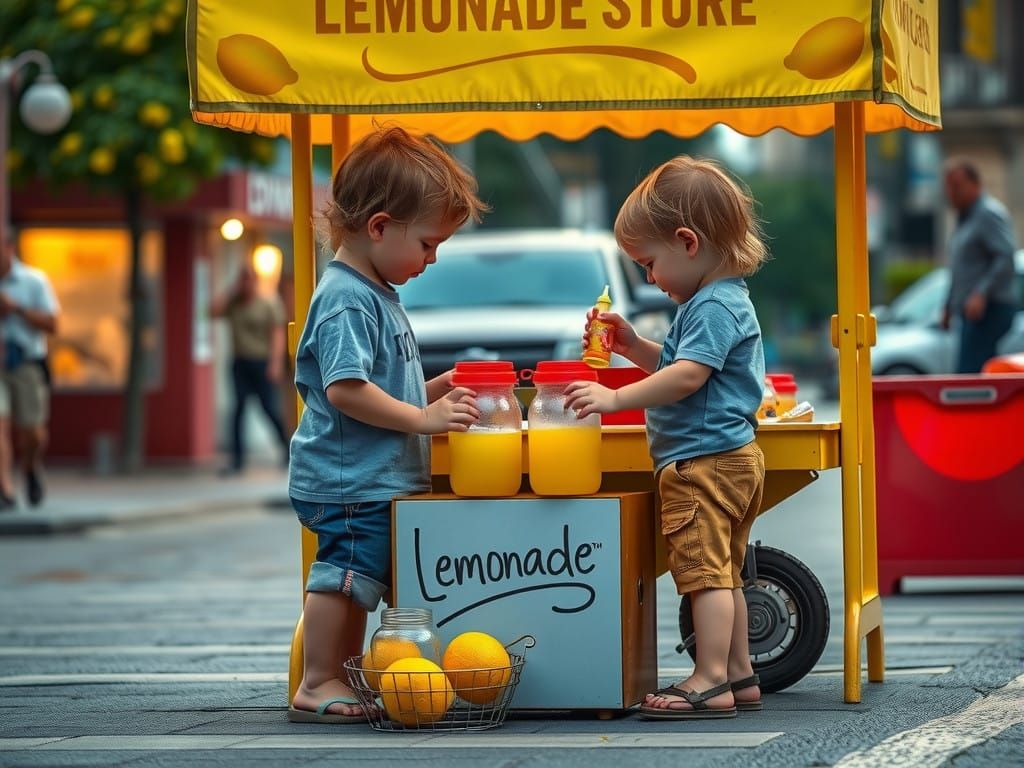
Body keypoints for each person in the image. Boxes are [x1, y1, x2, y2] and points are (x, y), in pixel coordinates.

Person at [286, 125, 487, 723]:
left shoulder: (374, 293)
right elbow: (346, 390)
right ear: (379, 227)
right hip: (350, 480)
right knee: (345, 577)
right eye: (427, 243)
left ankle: (342, 674)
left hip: (371, 477)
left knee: (361, 581)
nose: (432, 259)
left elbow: (381, 387)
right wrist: (424, 418)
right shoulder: (347, 298)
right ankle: (318, 679)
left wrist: (432, 390)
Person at [564, 156, 768, 720]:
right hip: (727, 458)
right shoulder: (717, 301)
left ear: (688, 242)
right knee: (723, 573)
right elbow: (678, 364)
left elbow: (686, 377)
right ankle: (739, 673)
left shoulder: (712, 305)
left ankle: (709, 678)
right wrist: (632, 346)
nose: (650, 278)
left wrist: (615, 399)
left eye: (650, 264)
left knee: (703, 576)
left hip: (703, 463)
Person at [211, 263, 290, 474]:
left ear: (255, 281)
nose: (245, 284)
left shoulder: (267, 304)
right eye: (242, 280)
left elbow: (277, 334)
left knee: (269, 409)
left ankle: (288, 450)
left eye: (248, 279)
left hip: (262, 362)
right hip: (240, 363)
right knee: (238, 410)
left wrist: (275, 363)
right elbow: (212, 312)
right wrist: (231, 291)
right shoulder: (234, 304)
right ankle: (237, 460)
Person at [941, 159, 1019, 373]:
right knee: (972, 373)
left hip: (990, 309)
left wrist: (981, 293)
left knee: (970, 374)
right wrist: (949, 305)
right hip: (971, 312)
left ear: (975, 185)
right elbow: (960, 269)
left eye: (957, 186)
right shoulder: (964, 219)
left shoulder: (988, 213)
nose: (951, 193)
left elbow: (1005, 257)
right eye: (948, 186)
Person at [0, 233, 60, 509]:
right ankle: (5, 489)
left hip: (26, 363)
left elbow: (53, 324)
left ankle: (31, 467)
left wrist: (16, 309)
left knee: (33, 431)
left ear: (9, 248)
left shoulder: (33, 281)